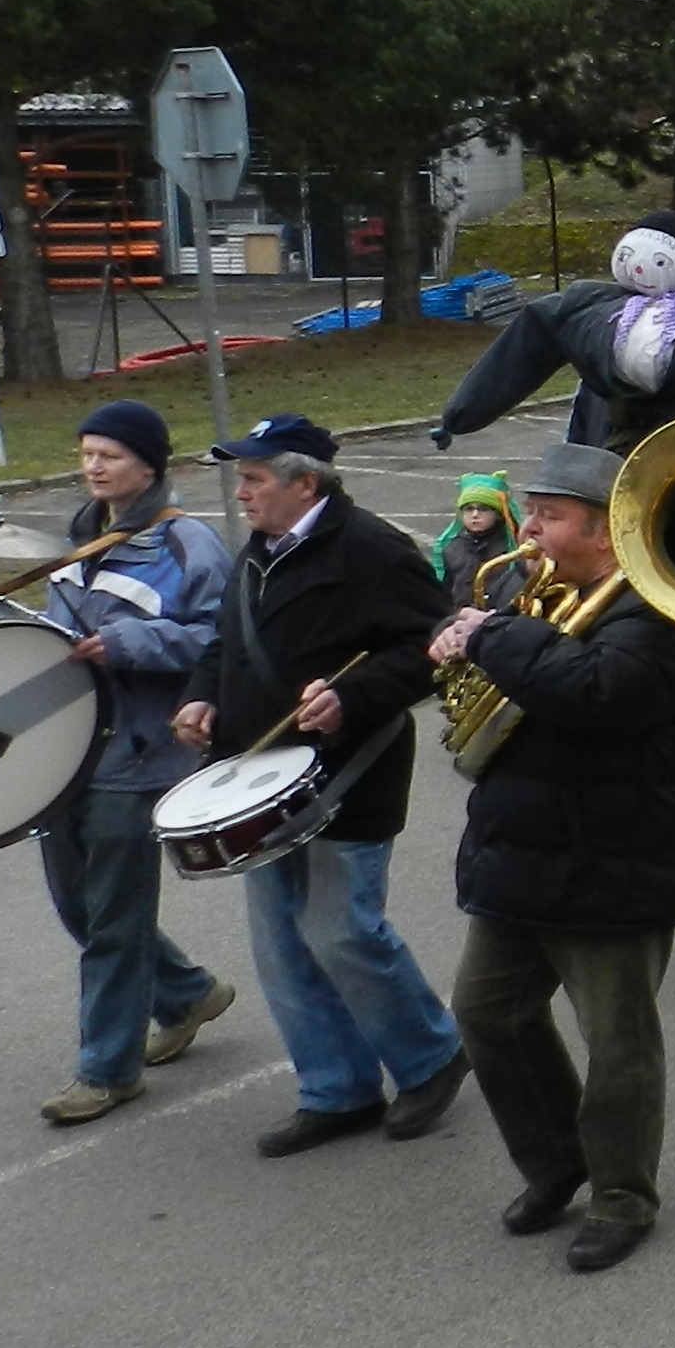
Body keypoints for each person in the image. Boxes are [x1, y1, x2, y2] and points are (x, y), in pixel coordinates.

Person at [429, 442, 675, 1271]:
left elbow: (594, 693)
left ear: (603, 529)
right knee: (488, 1015)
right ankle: (557, 1163)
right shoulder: (531, 586)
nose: (532, 529)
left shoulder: (659, 609)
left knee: (616, 1042)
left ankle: (622, 1195)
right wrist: (456, 644)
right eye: (533, 512)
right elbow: (510, 663)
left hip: (614, 853)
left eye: (547, 516)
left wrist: (491, 642)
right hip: (521, 847)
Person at [173, 416, 472, 1156]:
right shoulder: (261, 549)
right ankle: (336, 1089)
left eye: (253, 479)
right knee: (281, 944)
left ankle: (431, 1057)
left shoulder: (372, 549)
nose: (239, 493)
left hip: (347, 773)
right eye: (240, 479)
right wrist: (203, 693)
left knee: (341, 932)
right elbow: (228, 638)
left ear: (304, 483)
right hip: (254, 779)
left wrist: (355, 696)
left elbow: (434, 646)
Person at [31, 401, 239, 1123]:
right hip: (66, 755)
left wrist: (126, 646)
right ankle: (188, 993)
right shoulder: (79, 536)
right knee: (79, 907)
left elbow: (218, 642)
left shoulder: (188, 546)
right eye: (86, 452)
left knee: (115, 919)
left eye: (108, 455)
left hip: (140, 753)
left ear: (148, 465)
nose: (92, 466)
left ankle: (108, 1070)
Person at [433, 213, 675, 452]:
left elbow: (524, 345)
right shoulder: (590, 302)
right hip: (613, 425)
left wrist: (460, 416)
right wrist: (461, 415)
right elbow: (521, 349)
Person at [432, 470, 518, 591]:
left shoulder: (513, 550)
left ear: (499, 514)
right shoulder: (452, 547)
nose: (475, 515)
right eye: (468, 509)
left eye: (483, 509)